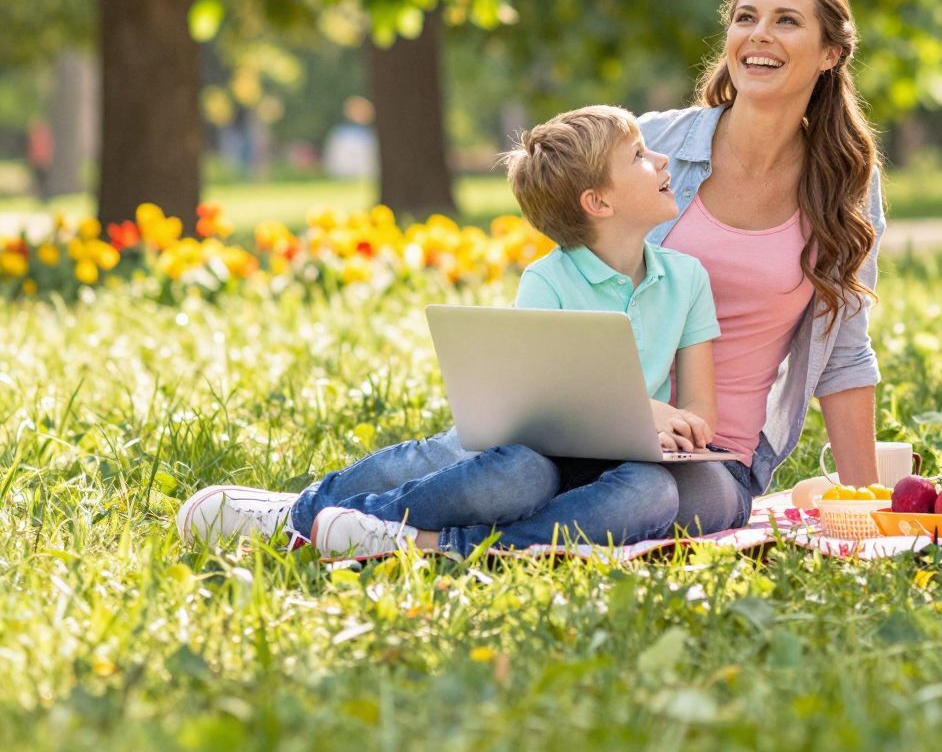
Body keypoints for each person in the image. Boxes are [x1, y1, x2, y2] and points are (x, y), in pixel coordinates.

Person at [178, 106, 717, 556]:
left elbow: (701, 414)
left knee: (654, 496)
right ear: (599, 203)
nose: (663, 159)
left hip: (623, 465)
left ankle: (429, 544)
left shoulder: (686, 279)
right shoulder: (546, 280)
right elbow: (534, 408)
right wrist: (641, 410)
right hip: (534, 453)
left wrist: (676, 426)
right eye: (641, 156)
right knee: (510, 475)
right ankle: (308, 514)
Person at [636, 0, 887, 535]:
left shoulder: (846, 183)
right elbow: (572, 289)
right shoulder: (651, 144)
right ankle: (384, 521)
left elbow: (844, 351)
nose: (759, 36)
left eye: (787, 21)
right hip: (603, 425)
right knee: (503, 470)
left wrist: (870, 511)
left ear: (831, 53)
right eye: (746, 17)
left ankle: (441, 534)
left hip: (714, 460)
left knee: (650, 498)